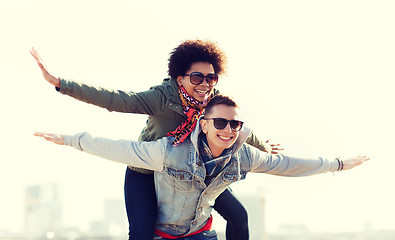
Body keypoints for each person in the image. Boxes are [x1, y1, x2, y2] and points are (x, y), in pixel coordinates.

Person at [30, 40, 283, 240]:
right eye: (197, 77)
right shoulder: (163, 97)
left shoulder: (212, 101)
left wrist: (262, 147)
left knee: (239, 216)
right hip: (147, 171)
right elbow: (117, 99)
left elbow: (233, 124)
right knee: (141, 235)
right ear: (180, 78)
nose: (205, 84)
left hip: (189, 172)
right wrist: (61, 84)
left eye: (211, 78)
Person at [35, 94, 369, 239]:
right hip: (163, 236)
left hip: (200, 235)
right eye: (221, 123)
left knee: (239, 217)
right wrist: (71, 139)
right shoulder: (171, 152)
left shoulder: (243, 156)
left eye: (235, 125)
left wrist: (337, 164)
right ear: (204, 124)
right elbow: (121, 149)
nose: (228, 130)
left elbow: (287, 165)